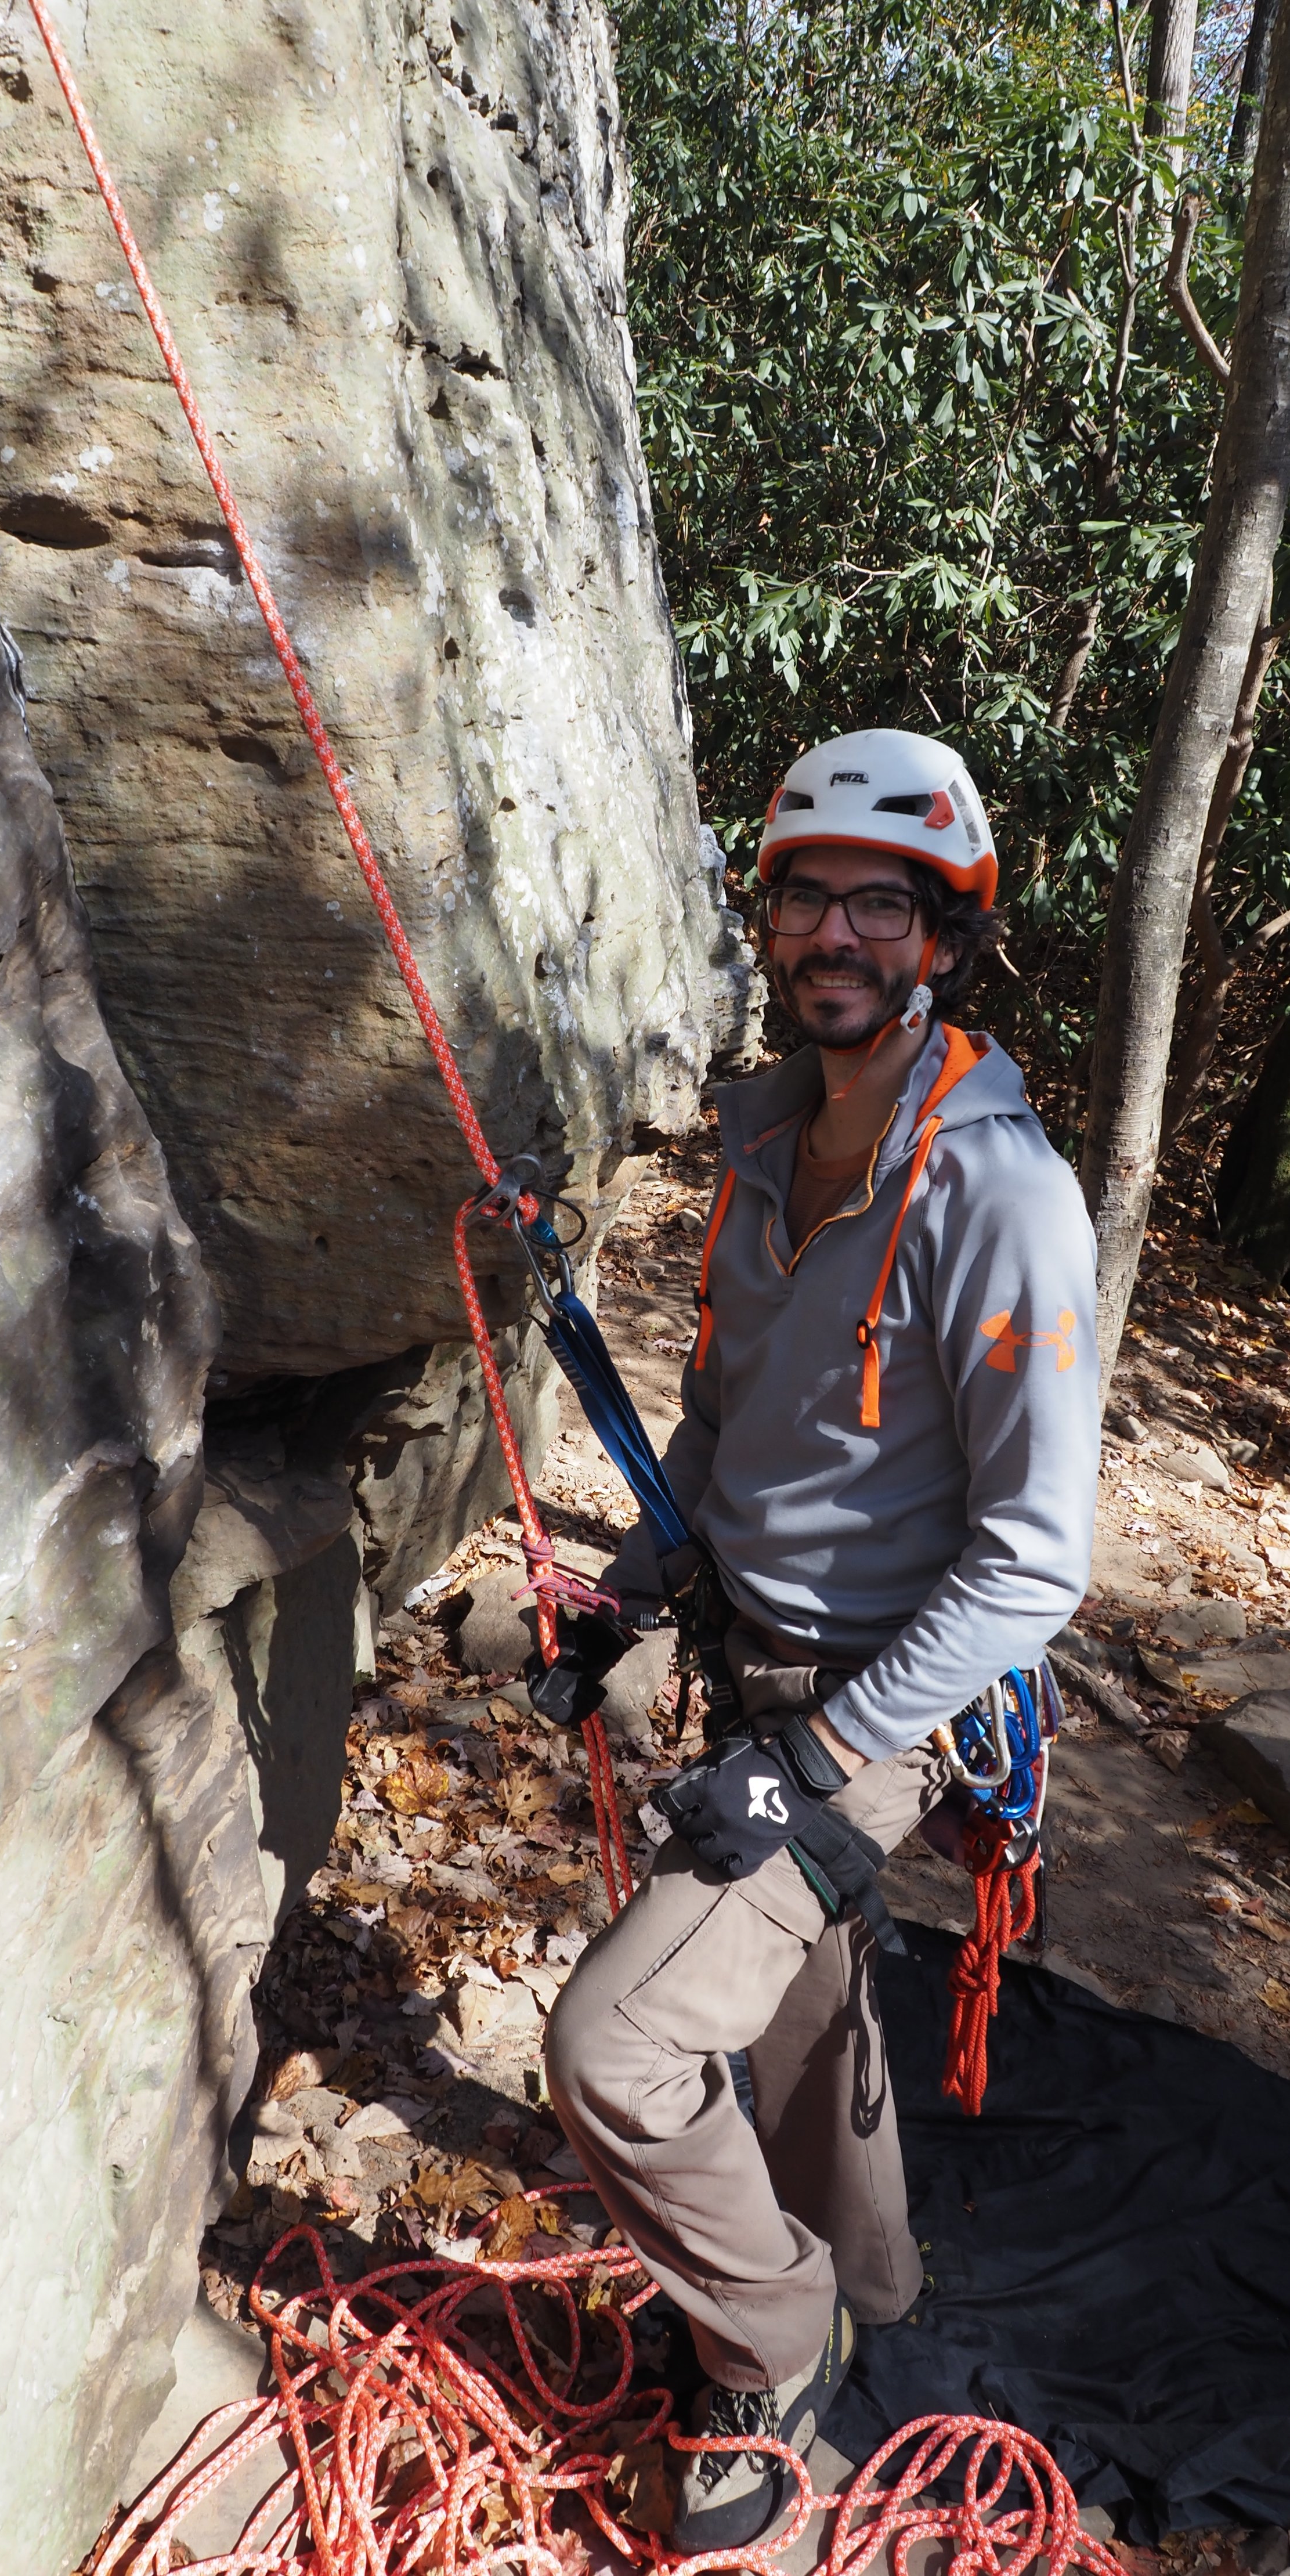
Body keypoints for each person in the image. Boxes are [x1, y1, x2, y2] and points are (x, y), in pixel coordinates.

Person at [544, 728, 1101, 2552]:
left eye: (886, 903)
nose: (838, 932)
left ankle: (770, 2346)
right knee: (789, 2014)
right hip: (762, 1655)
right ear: (768, 919)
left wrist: (809, 1775)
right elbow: (726, 1423)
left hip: (884, 1703)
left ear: (940, 940)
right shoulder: (770, 1137)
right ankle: (867, 2285)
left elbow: (1031, 1564)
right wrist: (633, 1585)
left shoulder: (997, 1196)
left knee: (621, 2047)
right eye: (809, 895)